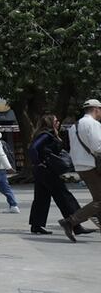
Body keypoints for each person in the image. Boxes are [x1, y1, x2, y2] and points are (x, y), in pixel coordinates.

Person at [28, 114, 92, 236]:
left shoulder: (44, 134)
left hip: (41, 171)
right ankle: (75, 225)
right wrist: (39, 163)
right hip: (47, 170)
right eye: (56, 120)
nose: (58, 122)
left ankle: (36, 226)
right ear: (50, 122)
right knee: (64, 196)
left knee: (41, 198)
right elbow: (33, 149)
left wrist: (37, 164)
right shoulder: (46, 135)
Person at [58, 99, 101, 242]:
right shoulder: (93, 124)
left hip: (81, 165)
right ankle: (70, 221)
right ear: (96, 109)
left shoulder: (74, 126)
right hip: (92, 166)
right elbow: (97, 147)